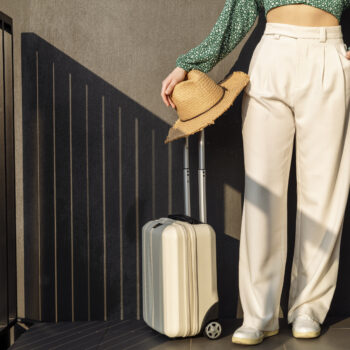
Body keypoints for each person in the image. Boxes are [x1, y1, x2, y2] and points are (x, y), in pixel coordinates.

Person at [161, 0, 350, 346]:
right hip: (271, 54)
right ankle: (259, 314)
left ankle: (308, 307)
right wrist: (189, 64)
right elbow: (239, 10)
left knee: (323, 192)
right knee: (262, 192)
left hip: (329, 51)